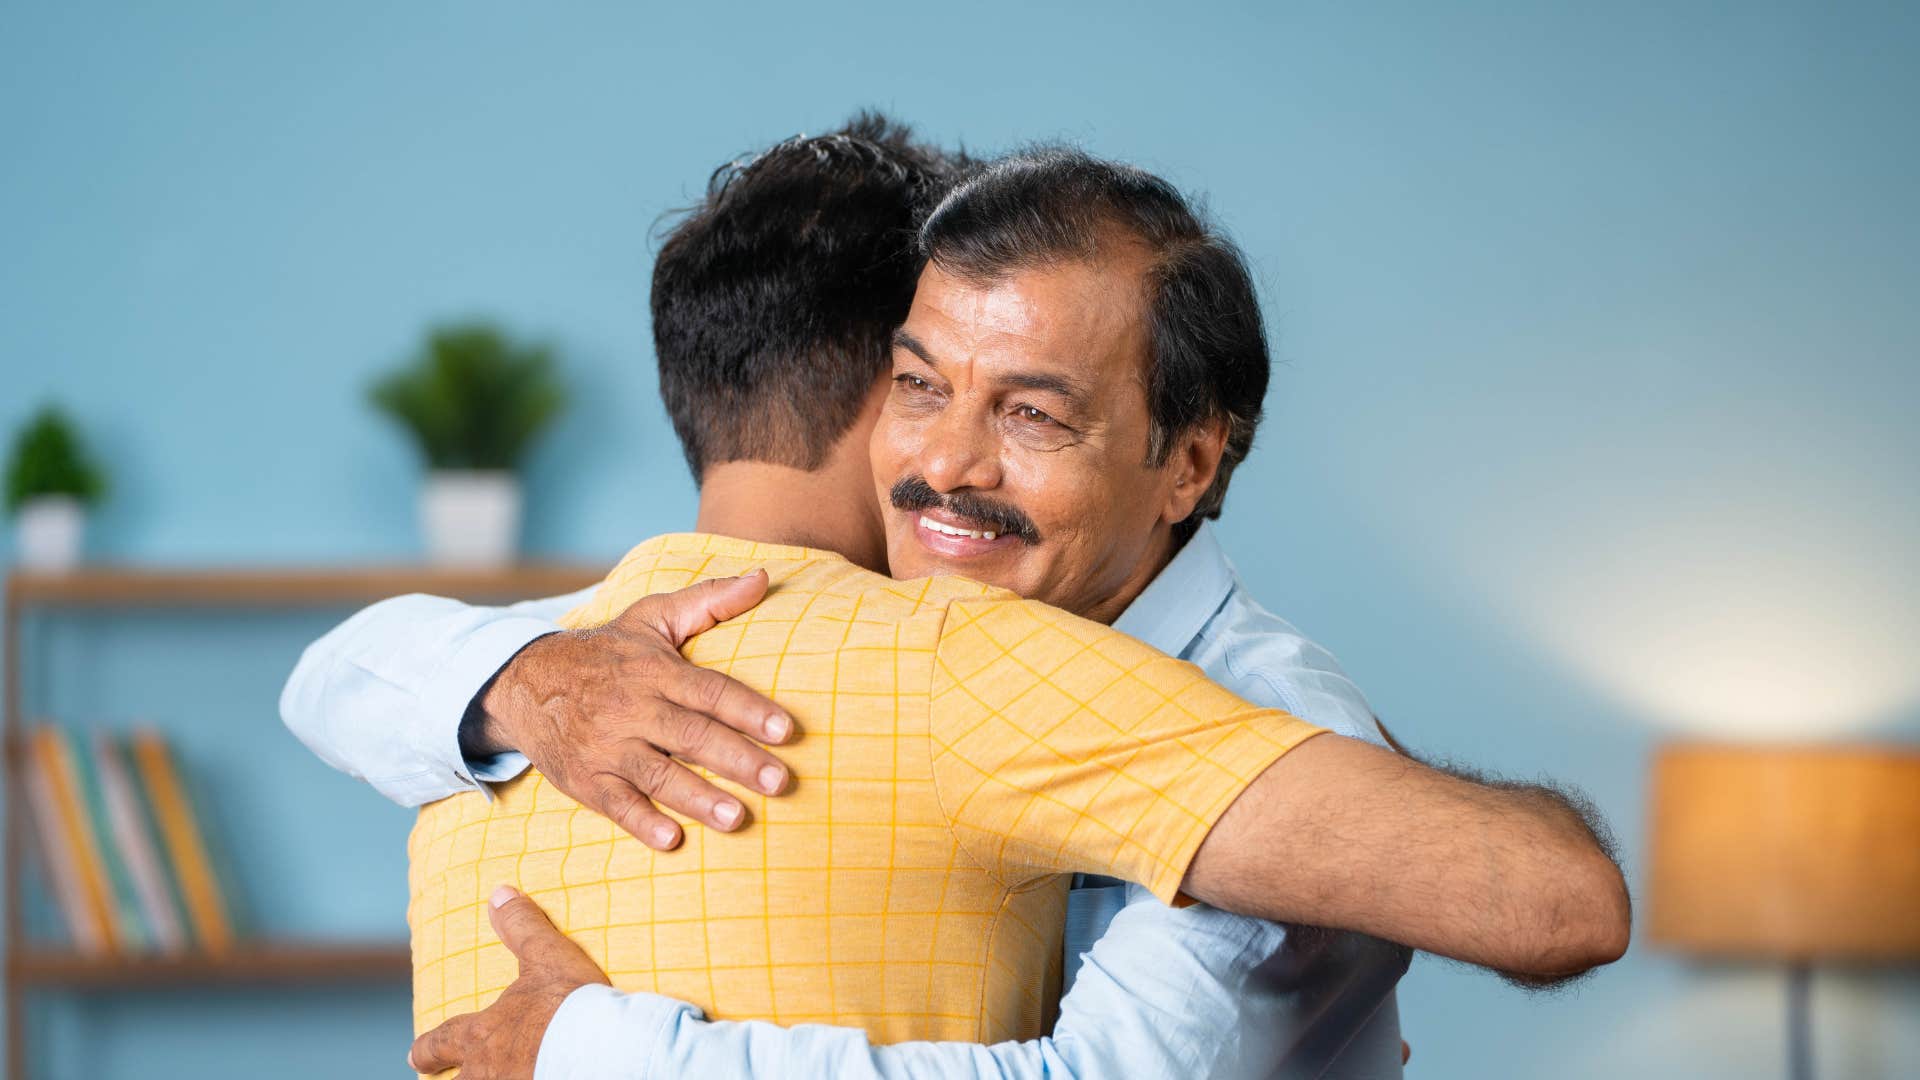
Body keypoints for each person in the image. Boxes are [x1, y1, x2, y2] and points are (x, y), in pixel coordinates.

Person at [284, 124, 1627, 1080]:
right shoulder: (826, 660)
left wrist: (595, 1050)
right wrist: (517, 680)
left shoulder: (1242, 710)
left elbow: (1556, 897)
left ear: (1190, 463)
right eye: (920, 388)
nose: (945, 469)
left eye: (1032, 415)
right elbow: (336, 675)